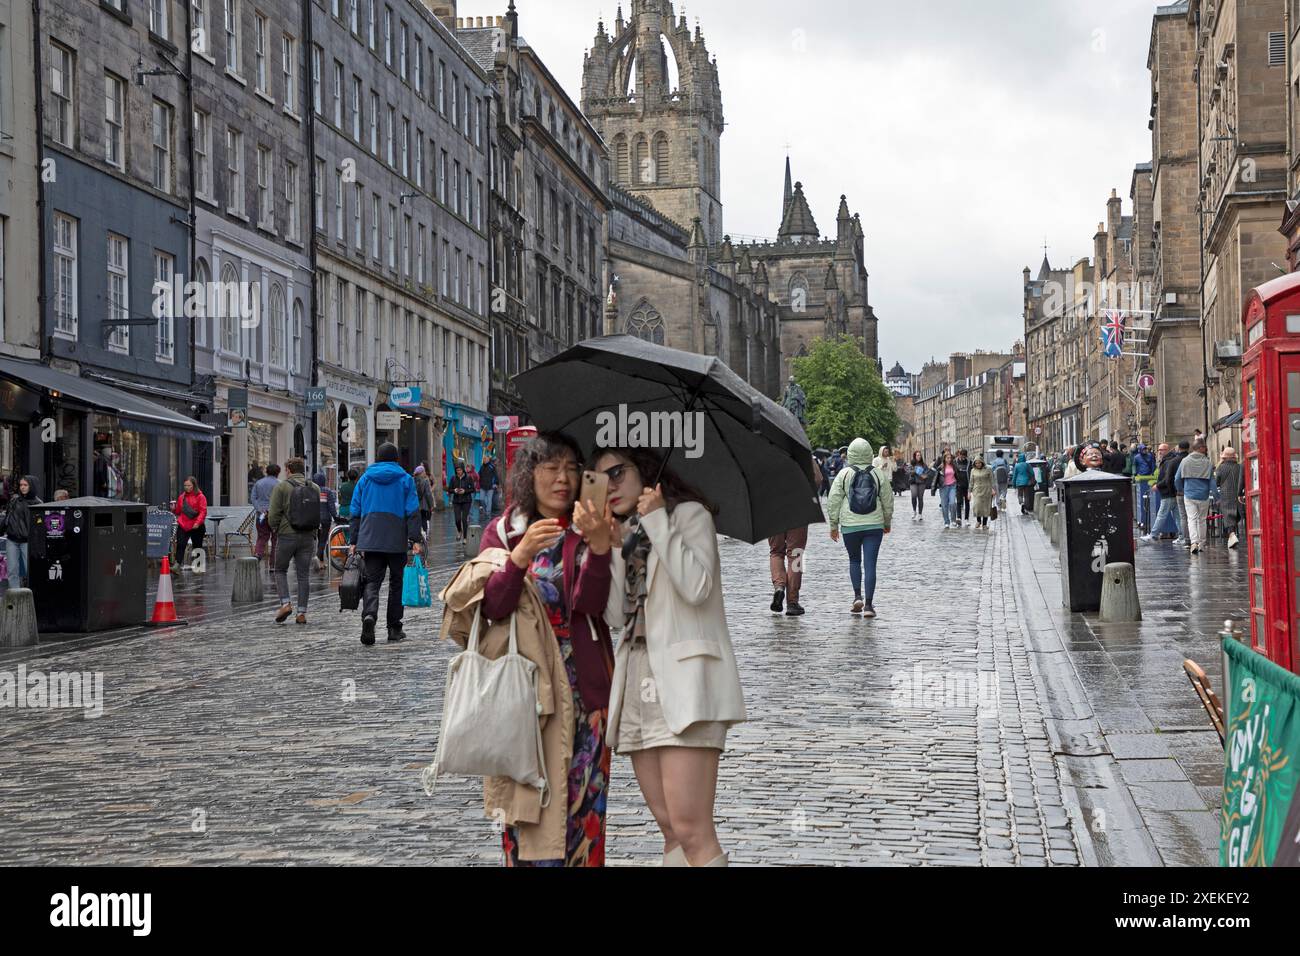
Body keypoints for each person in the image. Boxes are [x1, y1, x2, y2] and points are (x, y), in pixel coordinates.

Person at [595, 444, 745, 867]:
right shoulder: (629, 535)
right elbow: (614, 616)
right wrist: (610, 547)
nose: (610, 487)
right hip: (639, 680)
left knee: (691, 827)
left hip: (686, 683)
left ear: (644, 471)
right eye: (599, 480)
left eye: (618, 473)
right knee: (668, 826)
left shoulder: (690, 516)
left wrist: (658, 519)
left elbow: (696, 587)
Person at [480, 433, 616, 866]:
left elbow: (592, 607)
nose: (562, 478)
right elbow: (491, 608)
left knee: (581, 814)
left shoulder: (588, 528)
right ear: (528, 473)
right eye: (550, 467)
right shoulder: (504, 531)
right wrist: (518, 559)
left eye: (571, 468)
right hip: (524, 695)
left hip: (582, 694)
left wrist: (598, 547)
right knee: (524, 809)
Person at [349, 442, 423, 645]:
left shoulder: (364, 479)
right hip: (396, 539)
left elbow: (355, 512)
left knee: (372, 581)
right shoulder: (406, 480)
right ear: (396, 458)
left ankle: (369, 615)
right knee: (396, 583)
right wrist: (415, 539)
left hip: (370, 538)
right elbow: (413, 511)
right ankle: (394, 628)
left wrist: (354, 540)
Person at [828, 438, 893, 616]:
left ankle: (857, 596)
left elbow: (833, 500)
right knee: (871, 564)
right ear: (869, 453)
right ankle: (869, 606)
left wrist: (834, 525)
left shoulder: (844, 474)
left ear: (850, 454)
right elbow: (888, 500)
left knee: (854, 560)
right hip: (874, 524)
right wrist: (887, 522)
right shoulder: (877, 473)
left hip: (850, 525)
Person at [269, 459, 321, 625]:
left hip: (287, 535)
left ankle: (285, 604)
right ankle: (301, 613)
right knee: (303, 575)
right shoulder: (314, 487)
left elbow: (273, 514)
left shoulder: (282, 487)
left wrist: (276, 528)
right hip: (307, 536)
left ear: (289, 470)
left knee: (280, 570)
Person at [1175, 440, 1215, 555]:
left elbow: (1177, 478)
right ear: (1200, 448)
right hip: (1203, 495)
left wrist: (1181, 490)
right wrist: (1217, 496)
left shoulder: (1185, 461)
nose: (1206, 449)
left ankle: (1194, 542)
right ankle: (1201, 544)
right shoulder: (1207, 462)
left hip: (1189, 494)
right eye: (1205, 447)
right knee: (1202, 520)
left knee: (1191, 519)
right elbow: (1212, 481)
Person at [4, 476, 41, 588]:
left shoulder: (38, 503)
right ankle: (15, 597)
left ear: (31, 486)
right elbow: (8, 516)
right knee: (12, 570)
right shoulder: (14, 500)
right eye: (21, 485)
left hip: (28, 541)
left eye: (25, 485)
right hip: (12, 539)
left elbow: (39, 525)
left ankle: (32, 597)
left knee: (30, 570)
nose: (22, 487)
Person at [768, 524, 807, 616]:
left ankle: (779, 588)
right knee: (796, 554)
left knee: (776, 552)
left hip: (772, 515)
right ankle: (792, 602)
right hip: (798, 516)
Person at [172, 477, 208, 566]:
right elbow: (179, 511)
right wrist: (174, 509)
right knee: (180, 544)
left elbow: (203, 511)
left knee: (197, 546)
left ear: (194, 486)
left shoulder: (200, 497)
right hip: (183, 524)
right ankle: (177, 565)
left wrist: (197, 523)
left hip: (196, 525)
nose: (186, 487)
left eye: (189, 485)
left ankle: (198, 567)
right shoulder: (182, 497)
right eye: (185, 485)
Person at [1215, 447, 1245, 549]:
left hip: (1226, 495)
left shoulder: (1221, 468)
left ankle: (1232, 535)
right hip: (1239, 495)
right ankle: (1233, 536)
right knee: (1238, 515)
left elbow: (1216, 482)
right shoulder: (1240, 466)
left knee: (1228, 517)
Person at [251, 464, 281, 563]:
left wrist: (260, 509)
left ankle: (258, 554)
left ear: (266, 471)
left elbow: (253, 498)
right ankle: (273, 563)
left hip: (261, 515)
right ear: (278, 473)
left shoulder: (258, 483)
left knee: (262, 536)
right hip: (275, 515)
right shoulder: (279, 484)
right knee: (275, 539)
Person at [312, 471, 338, 570]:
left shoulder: (312, 490)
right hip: (325, 520)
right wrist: (335, 517)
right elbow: (331, 507)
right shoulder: (328, 491)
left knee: (319, 540)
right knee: (323, 541)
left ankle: (321, 562)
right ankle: (318, 557)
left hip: (314, 519)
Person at [447, 461, 476, 543]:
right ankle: (459, 530)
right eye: (457, 470)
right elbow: (449, 489)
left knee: (464, 519)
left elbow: (473, 489)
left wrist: (465, 491)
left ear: (463, 470)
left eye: (460, 470)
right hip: (456, 501)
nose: (458, 472)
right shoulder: (453, 478)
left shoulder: (468, 478)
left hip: (466, 501)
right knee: (457, 519)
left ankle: (465, 538)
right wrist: (454, 490)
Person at [1132, 444, 1157, 532]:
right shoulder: (1137, 457)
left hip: (1148, 475)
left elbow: (1153, 464)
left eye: (1145, 449)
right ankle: (1142, 520)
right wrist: (1135, 474)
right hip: (1141, 475)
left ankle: (1145, 520)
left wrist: (1153, 472)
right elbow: (1134, 466)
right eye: (1143, 449)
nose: (1145, 450)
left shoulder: (1150, 456)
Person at [931, 451, 959, 529]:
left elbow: (957, 475)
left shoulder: (954, 466)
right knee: (944, 505)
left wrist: (959, 483)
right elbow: (935, 478)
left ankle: (953, 520)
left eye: (950, 458)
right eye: (948, 458)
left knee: (952, 503)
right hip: (943, 487)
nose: (949, 459)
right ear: (944, 458)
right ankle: (946, 521)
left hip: (952, 486)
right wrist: (933, 489)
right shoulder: (940, 467)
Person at [969, 456, 994, 529]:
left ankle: (984, 524)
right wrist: (969, 492)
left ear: (982, 462)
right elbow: (971, 482)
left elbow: (992, 480)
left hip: (986, 490)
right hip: (976, 490)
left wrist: (993, 489)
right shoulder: (973, 470)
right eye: (976, 463)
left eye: (979, 463)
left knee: (986, 507)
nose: (978, 464)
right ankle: (978, 520)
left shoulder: (988, 469)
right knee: (977, 506)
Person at [907, 451, 931, 521]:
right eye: (917, 455)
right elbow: (908, 471)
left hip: (921, 482)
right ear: (915, 456)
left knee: (920, 498)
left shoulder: (923, 465)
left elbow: (927, 472)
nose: (919, 457)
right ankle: (914, 511)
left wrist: (925, 475)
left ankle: (920, 514)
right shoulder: (911, 464)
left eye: (920, 455)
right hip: (913, 482)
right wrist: (914, 471)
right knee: (914, 496)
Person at [952, 449, 972, 526]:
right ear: (959, 455)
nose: (962, 458)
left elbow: (972, 472)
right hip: (958, 485)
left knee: (967, 502)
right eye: (961, 456)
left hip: (967, 485)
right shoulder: (955, 462)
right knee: (959, 502)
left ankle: (967, 519)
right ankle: (959, 518)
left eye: (964, 457)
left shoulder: (969, 462)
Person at [413, 465, 434, 538]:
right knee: (424, 519)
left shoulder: (412, 480)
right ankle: (424, 535)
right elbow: (428, 494)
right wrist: (431, 505)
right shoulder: (425, 481)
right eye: (424, 471)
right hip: (424, 505)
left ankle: (417, 534)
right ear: (421, 472)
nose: (425, 472)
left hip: (415, 505)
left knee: (417, 520)